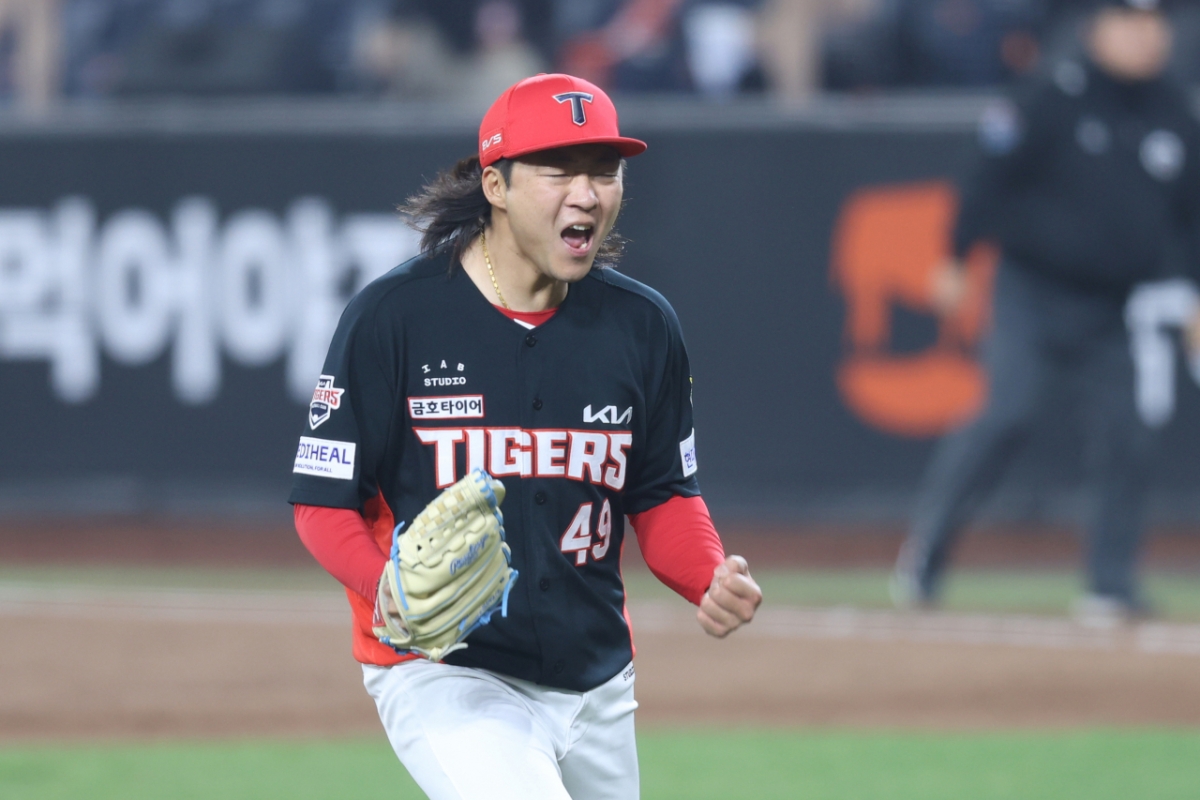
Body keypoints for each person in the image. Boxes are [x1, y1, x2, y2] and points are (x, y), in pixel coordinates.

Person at [288, 73, 763, 799]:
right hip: (446, 671)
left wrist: (707, 575)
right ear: (496, 185)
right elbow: (321, 500)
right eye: (558, 171)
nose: (587, 192)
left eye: (604, 171)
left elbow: (664, 492)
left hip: (598, 679)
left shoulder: (641, 326)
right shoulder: (396, 317)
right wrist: (380, 583)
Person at [892, 0, 1200, 621]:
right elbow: (988, 176)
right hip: (1034, 290)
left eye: (1155, 20)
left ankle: (1110, 582)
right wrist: (956, 256)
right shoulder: (1053, 91)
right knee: (1007, 413)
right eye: (1130, 19)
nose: (1145, 34)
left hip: (1117, 306)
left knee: (1129, 431)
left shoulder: (1173, 107)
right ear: (1099, 26)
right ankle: (926, 555)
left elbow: (1188, 219)